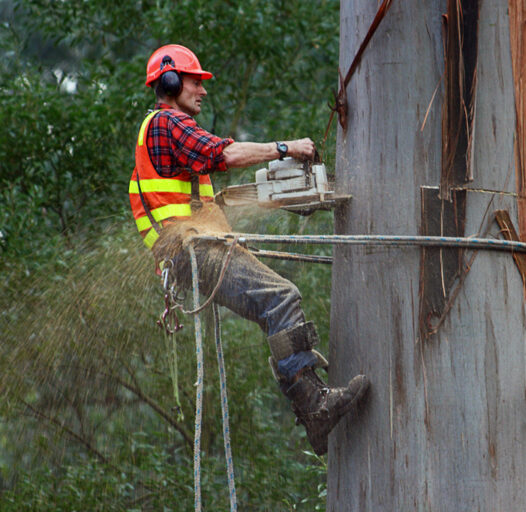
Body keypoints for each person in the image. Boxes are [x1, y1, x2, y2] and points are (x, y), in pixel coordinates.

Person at [129, 44, 369, 455]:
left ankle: (312, 405)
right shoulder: (167, 123)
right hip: (192, 250)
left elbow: (204, 189)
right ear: (169, 81)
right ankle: (314, 406)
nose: (203, 91)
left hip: (194, 250)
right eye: (194, 81)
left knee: (274, 305)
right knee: (280, 299)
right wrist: (286, 148)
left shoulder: (163, 135)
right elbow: (225, 153)